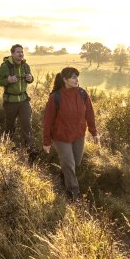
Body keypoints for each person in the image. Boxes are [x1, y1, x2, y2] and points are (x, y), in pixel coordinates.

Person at [42, 67, 99, 200]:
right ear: (64, 80)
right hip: (61, 137)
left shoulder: (82, 94)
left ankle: (63, 178)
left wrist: (94, 132)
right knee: (69, 164)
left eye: (77, 77)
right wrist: (46, 141)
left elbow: (90, 114)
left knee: (76, 163)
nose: (76, 79)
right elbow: (48, 121)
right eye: (73, 77)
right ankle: (74, 194)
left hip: (78, 135)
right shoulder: (55, 97)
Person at [0, 44, 36, 158]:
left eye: (22, 52)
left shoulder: (25, 66)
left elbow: (31, 78)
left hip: (24, 100)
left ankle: (30, 151)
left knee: (27, 123)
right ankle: (8, 147)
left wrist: (31, 78)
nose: (21, 54)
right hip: (10, 101)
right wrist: (7, 80)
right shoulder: (5, 66)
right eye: (18, 52)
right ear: (12, 54)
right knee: (10, 125)